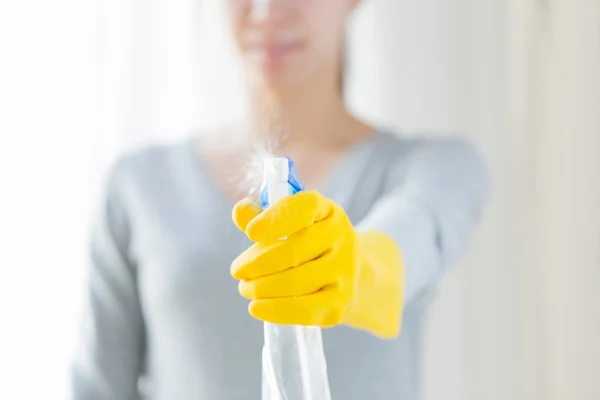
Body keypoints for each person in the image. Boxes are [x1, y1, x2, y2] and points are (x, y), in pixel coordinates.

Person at [71, 0, 490, 399]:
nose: (267, 11)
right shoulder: (138, 185)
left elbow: (413, 237)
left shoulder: (434, 167)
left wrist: (352, 266)